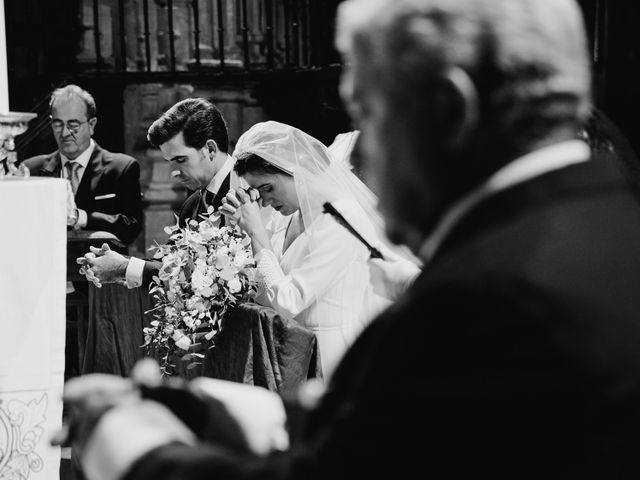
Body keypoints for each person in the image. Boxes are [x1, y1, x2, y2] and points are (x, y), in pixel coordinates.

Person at [57, 0, 640, 478]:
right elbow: (380, 420)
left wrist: (125, 441)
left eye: (373, 116)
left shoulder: (490, 295)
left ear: (448, 110)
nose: (356, 163)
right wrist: (194, 406)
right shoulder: (610, 226)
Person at [219, 120, 407, 379]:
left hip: (330, 355)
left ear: (296, 170)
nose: (264, 200)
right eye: (257, 192)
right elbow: (262, 286)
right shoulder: (285, 217)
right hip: (289, 351)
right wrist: (240, 229)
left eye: (268, 187)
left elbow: (287, 301)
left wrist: (255, 232)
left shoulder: (342, 218)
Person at [77, 97, 243, 290]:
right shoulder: (192, 204)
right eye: (169, 161)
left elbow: (221, 275)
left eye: (180, 159)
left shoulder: (246, 192)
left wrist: (123, 267)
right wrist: (116, 261)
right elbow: (168, 265)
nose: (174, 172)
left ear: (210, 149)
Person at [22, 84, 142, 245]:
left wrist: (80, 217)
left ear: (92, 125)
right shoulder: (30, 170)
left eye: (73, 125)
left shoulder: (122, 167)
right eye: (58, 124)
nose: (65, 133)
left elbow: (131, 226)